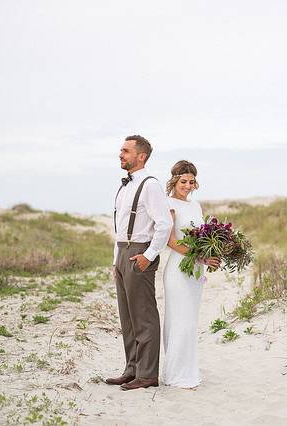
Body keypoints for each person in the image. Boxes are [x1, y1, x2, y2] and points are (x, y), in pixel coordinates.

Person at [105, 135, 171, 391]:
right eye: (121, 149)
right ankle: (131, 369)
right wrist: (115, 262)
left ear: (140, 156)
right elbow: (120, 228)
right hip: (122, 254)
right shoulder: (124, 186)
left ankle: (147, 374)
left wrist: (149, 255)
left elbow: (164, 224)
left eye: (125, 150)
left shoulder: (150, 185)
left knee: (144, 316)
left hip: (140, 253)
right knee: (128, 318)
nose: (120, 154)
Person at [161, 160, 219, 389]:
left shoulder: (196, 206)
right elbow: (170, 240)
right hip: (178, 268)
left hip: (196, 271)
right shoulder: (167, 204)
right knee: (179, 319)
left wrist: (210, 253)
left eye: (191, 181)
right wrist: (198, 255)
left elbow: (202, 237)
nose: (187, 185)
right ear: (174, 181)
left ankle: (188, 370)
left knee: (190, 320)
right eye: (183, 181)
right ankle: (175, 374)